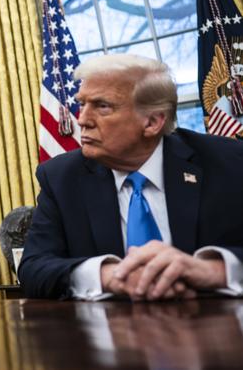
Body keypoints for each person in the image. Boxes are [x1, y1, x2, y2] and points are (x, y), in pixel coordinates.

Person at [18, 54, 243, 301]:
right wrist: (110, 275)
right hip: (110, 332)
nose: (82, 120)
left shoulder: (229, 162)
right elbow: (33, 268)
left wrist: (213, 270)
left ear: (153, 122)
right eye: (82, 104)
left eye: (102, 106)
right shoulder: (61, 177)